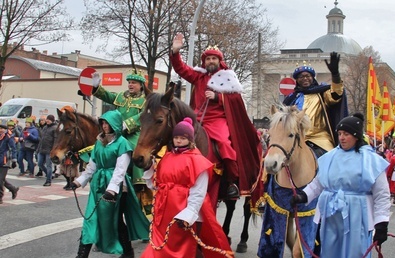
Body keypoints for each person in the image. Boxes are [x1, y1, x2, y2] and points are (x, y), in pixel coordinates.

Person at [170, 33, 261, 200]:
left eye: (213, 59)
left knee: (225, 144)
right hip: (197, 119)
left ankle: (232, 181)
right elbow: (181, 69)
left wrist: (219, 97)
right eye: (208, 59)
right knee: (175, 137)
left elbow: (235, 100)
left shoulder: (228, 78)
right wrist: (175, 52)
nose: (210, 61)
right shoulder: (198, 76)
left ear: (219, 61)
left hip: (217, 120)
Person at [291, 113, 391, 258]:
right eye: (339, 134)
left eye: (346, 134)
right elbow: (319, 182)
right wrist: (304, 196)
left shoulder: (370, 160)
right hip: (331, 215)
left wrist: (381, 222)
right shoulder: (330, 157)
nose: (342, 138)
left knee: (355, 252)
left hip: (358, 214)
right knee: (330, 252)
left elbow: (382, 194)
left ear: (356, 136)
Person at [141, 117, 232, 258]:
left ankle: (233, 179)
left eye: (182, 138)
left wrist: (188, 215)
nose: (178, 140)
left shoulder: (198, 161)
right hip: (163, 213)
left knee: (185, 249)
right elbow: (156, 185)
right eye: (176, 137)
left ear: (190, 139)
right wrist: (149, 170)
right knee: (157, 248)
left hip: (182, 214)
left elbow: (199, 192)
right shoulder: (166, 157)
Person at [70, 110, 149, 258]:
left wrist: (112, 189)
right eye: (103, 123)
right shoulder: (99, 142)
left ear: (116, 124)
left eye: (108, 123)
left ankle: (128, 252)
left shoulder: (122, 143)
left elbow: (120, 170)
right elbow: (92, 166)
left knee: (116, 221)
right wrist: (78, 181)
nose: (105, 126)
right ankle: (81, 255)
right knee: (90, 219)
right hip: (98, 185)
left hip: (117, 187)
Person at [91, 69, 152, 215]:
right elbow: (106, 95)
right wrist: (96, 87)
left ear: (141, 85)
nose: (131, 85)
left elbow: (143, 116)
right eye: (129, 82)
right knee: (100, 144)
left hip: (134, 133)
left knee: (133, 148)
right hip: (117, 131)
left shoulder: (145, 101)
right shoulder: (120, 96)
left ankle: (139, 180)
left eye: (134, 83)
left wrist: (128, 124)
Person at [283, 54, 348, 158]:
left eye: (308, 76)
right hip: (296, 139)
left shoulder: (322, 93)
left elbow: (336, 95)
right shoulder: (291, 98)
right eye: (301, 77)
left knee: (332, 160)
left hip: (320, 139)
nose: (305, 78)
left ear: (312, 78)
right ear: (297, 80)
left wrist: (335, 75)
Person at [0, 124, 19, 204]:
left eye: (1, 128)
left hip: (5, 160)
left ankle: (0, 197)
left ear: (5, 129)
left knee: (0, 180)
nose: (0, 130)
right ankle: (13, 189)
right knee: (2, 179)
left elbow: (13, 148)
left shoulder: (8, 137)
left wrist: (14, 160)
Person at [37, 114, 57, 186]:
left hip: (49, 150)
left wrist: (53, 150)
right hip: (42, 149)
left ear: (52, 120)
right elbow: (42, 139)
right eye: (47, 119)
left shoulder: (55, 128)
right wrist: (38, 149)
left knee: (49, 165)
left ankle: (48, 180)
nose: (47, 121)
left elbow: (56, 140)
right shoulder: (45, 127)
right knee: (40, 163)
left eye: (49, 120)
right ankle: (49, 174)